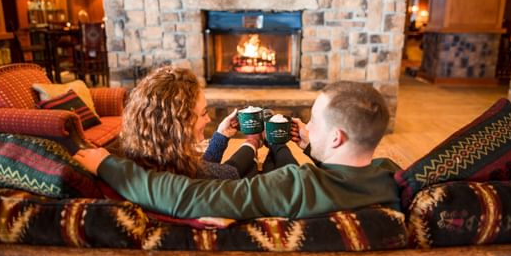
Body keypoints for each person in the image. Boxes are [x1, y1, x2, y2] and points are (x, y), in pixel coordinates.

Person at [74, 81, 400, 220]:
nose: (304, 124)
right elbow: (345, 174)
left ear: (336, 139)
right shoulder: (390, 175)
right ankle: (268, 144)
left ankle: (261, 143)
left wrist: (109, 165)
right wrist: (316, 152)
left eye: (313, 121)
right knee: (275, 149)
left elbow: (189, 197)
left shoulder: (294, 185)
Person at [118, 66, 259, 179]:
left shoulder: (156, 158)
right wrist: (253, 140)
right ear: (179, 122)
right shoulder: (176, 174)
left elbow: (203, 170)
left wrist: (222, 135)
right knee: (253, 170)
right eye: (203, 113)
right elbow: (229, 172)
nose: (209, 119)